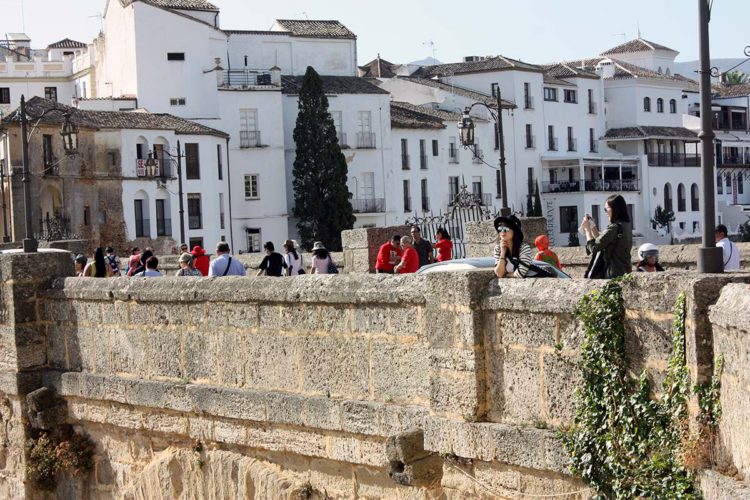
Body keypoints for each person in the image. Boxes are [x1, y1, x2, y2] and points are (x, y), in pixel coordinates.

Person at [581, 194, 633, 279]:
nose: (605, 212)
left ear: (615, 209)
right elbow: (604, 242)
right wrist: (593, 227)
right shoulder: (626, 226)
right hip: (625, 272)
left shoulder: (614, 227)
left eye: (606, 209)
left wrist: (587, 230)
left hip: (613, 274)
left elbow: (593, 247)